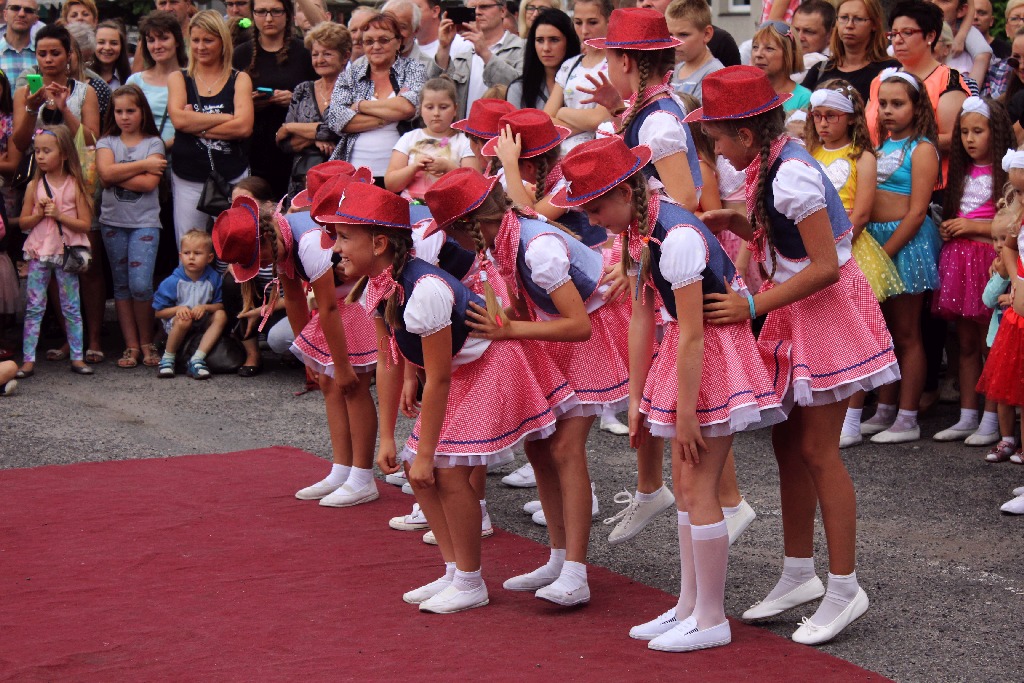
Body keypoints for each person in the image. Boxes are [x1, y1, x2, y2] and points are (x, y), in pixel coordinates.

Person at [554, 136, 784, 652]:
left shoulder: (674, 235)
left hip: (713, 358)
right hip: (686, 352)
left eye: (596, 207)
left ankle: (711, 618)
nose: (593, 220)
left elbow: (694, 331)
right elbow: (641, 314)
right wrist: (635, 400)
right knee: (684, 484)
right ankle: (688, 606)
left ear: (625, 191)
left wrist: (684, 416)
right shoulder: (639, 230)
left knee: (699, 485)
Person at [694, 66, 898, 645]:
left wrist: (752, 303)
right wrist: (741, 222)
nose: (714, 148)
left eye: (718, 138)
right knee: (787, 441)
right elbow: (794, 245)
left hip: (827, 311)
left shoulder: (791, 177)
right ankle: (798, 573)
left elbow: (826, 265)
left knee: (817, 448)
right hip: (799, 307)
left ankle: (844, 586)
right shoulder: (776, 163)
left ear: (748, 136)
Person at [339, 181, 574, 613]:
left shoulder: (424, 289)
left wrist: (427, 452)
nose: (336, 248)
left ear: (377, 243)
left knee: (442, 471)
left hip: (493, 366)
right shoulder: (379, 284)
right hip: (462, 370)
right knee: (416, 469)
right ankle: (453, 570)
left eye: (342, 237)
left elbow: (442, 379)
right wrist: (388, 437)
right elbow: (389, 361)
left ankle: (470, 582)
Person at [425, 167, 629, 606]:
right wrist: (509, 322)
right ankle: (558, 560)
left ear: (469, 225)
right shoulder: (501, 238)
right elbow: (523, 302)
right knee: (539, 446)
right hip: (547, 330)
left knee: (565, 449)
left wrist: (508, 331)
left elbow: (579, 326)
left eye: (449, 232)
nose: (450, 242)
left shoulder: (538, 248)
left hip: (591, 331)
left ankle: (577, 572)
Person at [858, 70, 942, 444]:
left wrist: (884, 254)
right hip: (877, 241)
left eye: (898, 104)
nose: (888, 111)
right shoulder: (880, 147)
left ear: (917, 106)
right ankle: (885, 410)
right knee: (884, 332)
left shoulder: (921, 148)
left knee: (907, 332)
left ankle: (908, 418)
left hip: (904, 244)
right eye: (883, 104)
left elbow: (917, 210)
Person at [931, 97, 1013, 444]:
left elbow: (1010, 224)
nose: (969, 139)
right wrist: (950, 228)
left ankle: (992, 418)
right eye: (964, 132)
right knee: (964, 341)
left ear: (996, 132)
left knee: (989, 343)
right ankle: (967, 415)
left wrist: (970, 226)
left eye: (977, 131)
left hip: (988, 261)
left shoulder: (1008, 175)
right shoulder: (961, 173)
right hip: (959, 261)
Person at [579, 8, 702, 213]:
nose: (607, 69)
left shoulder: (659, 120)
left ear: (625, 62)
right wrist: (616, 107)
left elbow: (685, 201)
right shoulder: (657, 105)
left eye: (608, 62)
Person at [805, 81, 903, 305]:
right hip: (815, 240)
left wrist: (832, 247)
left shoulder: (861, 156)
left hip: (849, 243)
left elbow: (861, 214)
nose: (822, 123)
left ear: (850, 117)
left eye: (831, 116)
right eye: (817, 116)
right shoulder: (811, 153)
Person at [97, 84, 167, 370]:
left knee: (141, 283)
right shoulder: (106, 142)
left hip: (145, 222)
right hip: (112, 221)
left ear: (142, 112)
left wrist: (115, 174)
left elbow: (150, 184)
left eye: (131, 110)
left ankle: (147, 339)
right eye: (119, 111)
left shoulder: (155, 143)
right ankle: (132, 345)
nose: (124, 116)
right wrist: (143, 165)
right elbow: (104, 174)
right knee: (122, 284)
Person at [167, 10, 253, 242]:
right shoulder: (179, 78)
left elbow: (244, 127)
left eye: (208, 40)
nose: (201, 46)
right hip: (188, 177)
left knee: (233, 244)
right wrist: (227, 118)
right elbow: (179, 120)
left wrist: (195, 124)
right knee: (189, 246)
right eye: (195, 40)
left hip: (231, 177)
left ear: (222, 42)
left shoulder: (239, 79)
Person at [17, 125, 94, 379]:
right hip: (39, 252)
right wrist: (38, 214)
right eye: (37, 151)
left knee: (71, 306)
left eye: (46, 151)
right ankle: (28, 359)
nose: (39, 156)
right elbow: (23, 223)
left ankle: (77, 356)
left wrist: (60, 216)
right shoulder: (34, 185)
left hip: (64, 252)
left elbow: (85, 224)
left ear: (63, 154)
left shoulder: (75, 185)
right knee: (34, 306)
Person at [324, 12, 426, 181]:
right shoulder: (350, 75)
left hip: (401, 173)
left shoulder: (414, 69)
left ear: (398, 42)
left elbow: (408, 108)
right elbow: (336, 119)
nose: (376, 46)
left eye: (383, 40)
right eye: (369, 42)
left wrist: (359, 106)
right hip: (354, 170)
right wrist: (387, 117)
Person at [232, 0, 315, 198]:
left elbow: (320, 96)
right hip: (253, 147)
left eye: (276, 11)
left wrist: (294, 99)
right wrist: (248, 103)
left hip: (293, 146)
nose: (268, 18)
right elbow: (229, 100)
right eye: (261, 12)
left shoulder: (304, 52)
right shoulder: (241, 53)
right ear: (253, 15)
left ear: (287, 15)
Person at [277, 20, 348, 201]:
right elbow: (283, 142)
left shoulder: (352, 90)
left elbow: (334, 129)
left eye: (327, 54)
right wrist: (314, 139)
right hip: (302, 180)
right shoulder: (303, 89)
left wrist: (291, 127)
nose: (319, 60)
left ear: (345, 56)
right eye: (315, 54)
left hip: (342, 181)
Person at [429, 0, 525, 119]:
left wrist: (485, 54)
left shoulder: (522, 48)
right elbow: (434, 92)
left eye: (484, 7)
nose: (478, 12)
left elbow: (520, 91)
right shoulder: (463, 51)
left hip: (505, 132)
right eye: (472, 8)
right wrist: (444, 47)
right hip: (465, 133)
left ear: (503, 11)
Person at [152, 229, 227, 380]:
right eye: (187, 253)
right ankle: (167, 359)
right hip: (177, 323)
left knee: (221, 315)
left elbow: (219, 305)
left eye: (197, 253)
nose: (191, 257)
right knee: (184, 319)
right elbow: (158, 312)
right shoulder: (172, 282)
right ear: (180, 256)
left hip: (202, 320)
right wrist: (178, 309)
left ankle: (197, 359)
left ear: (209, 257)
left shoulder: (214, 278)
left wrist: (205, 307)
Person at [385, 77, 476, 199]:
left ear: (455, 109)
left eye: (443, 107)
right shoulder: (409, 138)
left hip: (450, 211)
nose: (436, 113)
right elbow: (391, 184)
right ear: (420, 110)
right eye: (429, 107)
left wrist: (448, 168)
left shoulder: (464, 142)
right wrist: (414, 168)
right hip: (411, 209)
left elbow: (475, 186)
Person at [543, 0, 611, 155]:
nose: (584, 30)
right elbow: (545, 121)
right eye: (578, 23)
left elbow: (599, 119)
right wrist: (584, 122)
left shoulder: (616, 63)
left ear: (609, 22)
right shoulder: (570, 65)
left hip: (598, 151)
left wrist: (562, 112)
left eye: (592, 22)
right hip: (562, 154)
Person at [801, 0, 898, 102]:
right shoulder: (820, 69)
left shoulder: (889, 70)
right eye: (844, 18)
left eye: (858, 19)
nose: (849, 25)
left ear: (874, 24)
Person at [127, 10, 187, 149]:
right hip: (143, 157)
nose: (157, 46)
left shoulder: (191, 79)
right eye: (151, 40)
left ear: (177, 41)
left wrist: (161, 147)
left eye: (164, 38)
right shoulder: (135, 81)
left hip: (180, 157)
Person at [507, 9, 578, 110]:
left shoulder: (583, 83)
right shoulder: (518, 89)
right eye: (540, 40)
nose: (546, 48)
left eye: (554, 40)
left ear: (569, 41)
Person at [665, 0, 723, 100]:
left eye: (683, 35)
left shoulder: (715, 76)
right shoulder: (674, 70)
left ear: (706, 34)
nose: (674, 42)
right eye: (670, 35)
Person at [751, 21, 811, 113]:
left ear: (789, 54)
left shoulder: (804, 98)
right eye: (755, 47)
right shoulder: (745, 93)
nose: (758, 54)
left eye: (769, 48)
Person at [792, 0, 835, 77]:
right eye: (795, 30)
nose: (799, 37)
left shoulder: (821, 63)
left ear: (831, 35)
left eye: (808, 32)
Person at [0, 0, 37, 84]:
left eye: (28, 10)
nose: (21, 14)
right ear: (5, 14)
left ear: (36, 19)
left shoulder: (44, 55)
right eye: (15, 8)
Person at [91, 21, 130, 89]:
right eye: (101, 42)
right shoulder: (83, 75)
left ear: (121, 47)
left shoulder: (130, 77)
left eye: (114, 43)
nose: (107, 48)